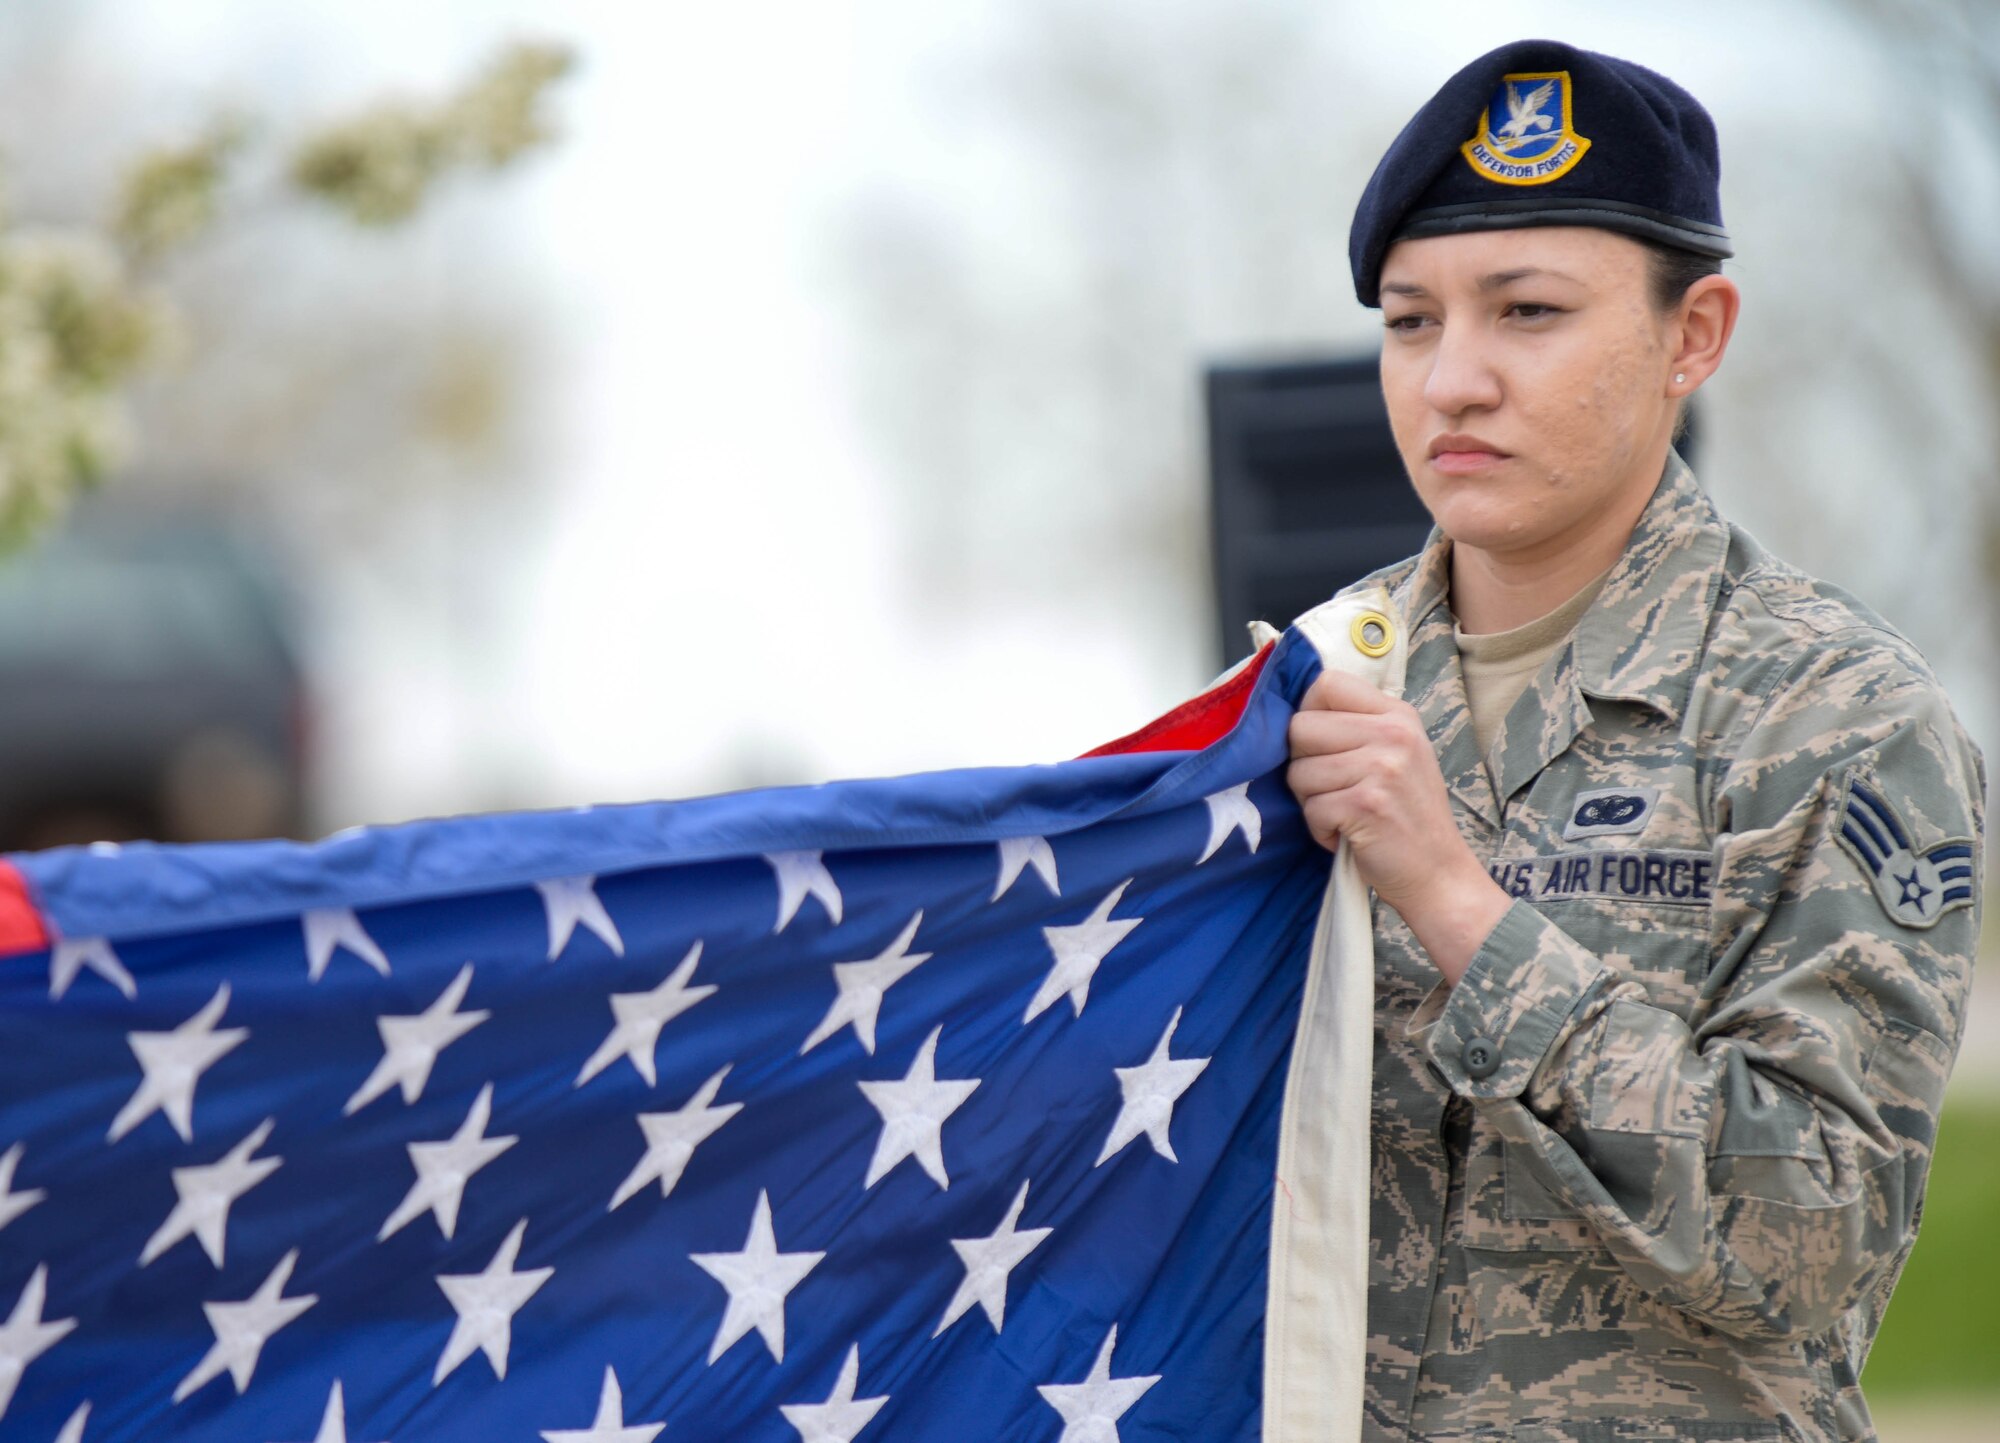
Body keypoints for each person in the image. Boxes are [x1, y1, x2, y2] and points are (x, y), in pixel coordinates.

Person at [1283, 38, 1985, 1443]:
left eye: (1527, 311)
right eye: (1411, 322)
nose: (1452, 382)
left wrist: (1458, 906)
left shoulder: (1831, 711)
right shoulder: (1306, 689)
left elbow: (1811, 1236)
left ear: (1695, 334)